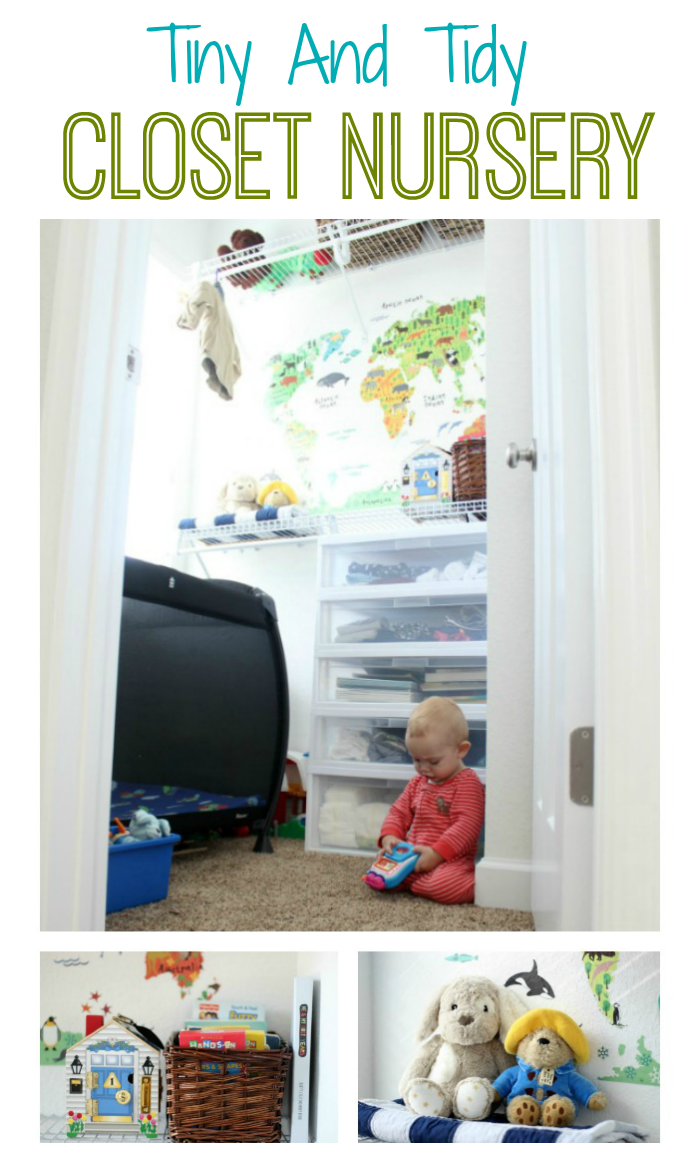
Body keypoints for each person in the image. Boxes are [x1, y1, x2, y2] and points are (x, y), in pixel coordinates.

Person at [377, 697, 485, 904]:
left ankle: (469, 884)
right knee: (383, 872)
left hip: (448, 860)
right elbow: (399, 812)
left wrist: (436, 854)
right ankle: (413, 881)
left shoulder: (467, 782)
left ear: (460, 750)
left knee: (443, 887)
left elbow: (467, 826)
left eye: (433, 761)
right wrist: (390, 837)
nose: (424, 768)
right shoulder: (418, 782)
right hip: (412, 856)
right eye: (416, 759)